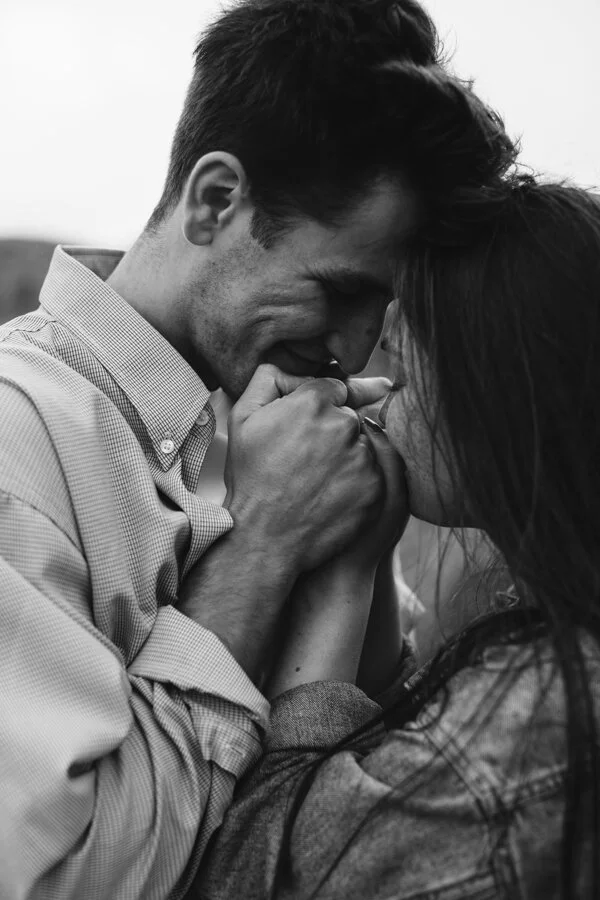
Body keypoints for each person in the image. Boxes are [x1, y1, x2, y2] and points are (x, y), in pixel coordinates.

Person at [0, 1, 517, 898]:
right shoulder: (20, 448)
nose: (354, 349)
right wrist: (264, 546)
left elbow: (367, 788)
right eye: (339, 291)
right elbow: (53, 876)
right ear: (215, 201)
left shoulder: (253, 429)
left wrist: (354, 549)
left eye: (384, 311)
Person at [193, 179, 600, 900]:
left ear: (512, 387)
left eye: (403, 374)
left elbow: (255, 880)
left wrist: (329, 572)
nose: (372, 357)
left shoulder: (528, 729)